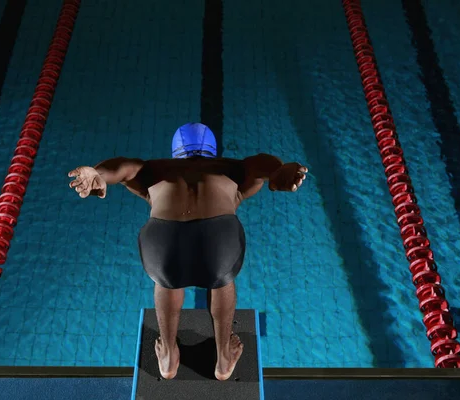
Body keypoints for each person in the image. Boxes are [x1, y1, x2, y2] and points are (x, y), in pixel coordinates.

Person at [68, 123, 307, 381]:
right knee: (223, 281)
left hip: (163, 244)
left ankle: (169, 357)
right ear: (212, 152)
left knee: (167, 282)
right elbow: (261, 163)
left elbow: (123, 167)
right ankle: (224, 359)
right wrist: (278, 169)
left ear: (176, 153)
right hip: (218, 243)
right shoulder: (231, 168)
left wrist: (99, 173)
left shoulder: (154, 169)